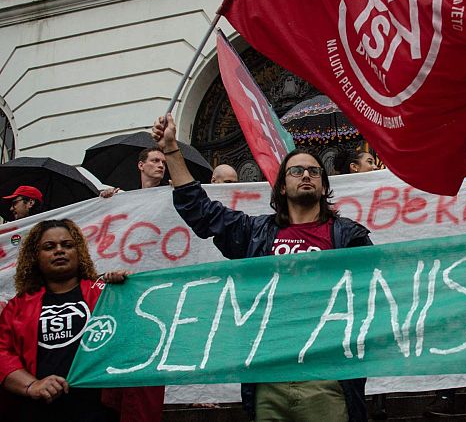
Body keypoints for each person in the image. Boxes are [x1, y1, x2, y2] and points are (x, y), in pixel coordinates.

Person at [152, 113, 372, 422]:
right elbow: (200, 211)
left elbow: (377, 294)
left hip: (327, 378)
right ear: (282, 187)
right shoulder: (256, 233)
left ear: (324, 187)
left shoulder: (349, 236)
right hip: (269, 378)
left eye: (314, 171)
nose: (306, 175)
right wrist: (171, 150)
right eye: (296, 171)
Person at [0, 219, 132, 421]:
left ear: (78, 252)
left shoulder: (104, 294)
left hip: (97, 412)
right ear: (35, 256)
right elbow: (2, 353)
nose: (59, 250)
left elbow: (135, 337)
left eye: (67, 245)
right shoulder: (17, 306)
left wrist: (128, 291)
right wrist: (32, 385)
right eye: (49, 247)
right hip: (36, 412)